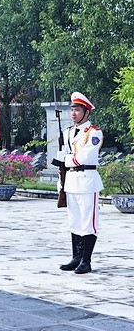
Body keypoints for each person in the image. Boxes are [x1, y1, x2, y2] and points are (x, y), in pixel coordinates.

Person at [58, 92, 103, 274]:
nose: (74, 113)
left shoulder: (94, 132)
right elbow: (62, 157)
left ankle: (86, 260)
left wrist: (67, 159)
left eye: (77, 110)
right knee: (74, 220)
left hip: (87, 180)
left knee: (88, 222)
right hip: (71, 180)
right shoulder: (68, 132)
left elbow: (86, 156)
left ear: (86, 112)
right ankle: (76, 257)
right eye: (72, 109)